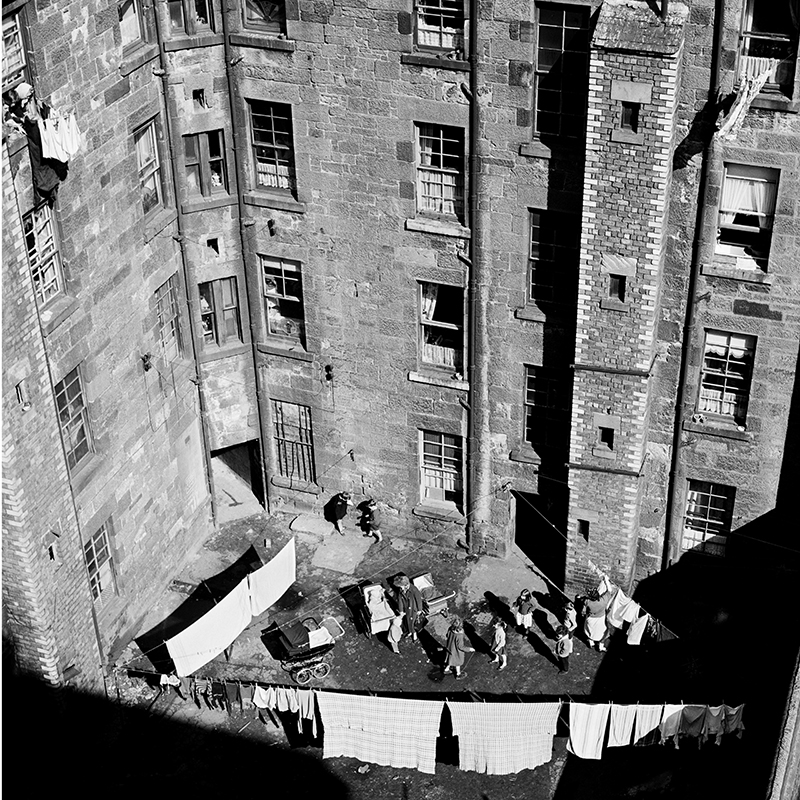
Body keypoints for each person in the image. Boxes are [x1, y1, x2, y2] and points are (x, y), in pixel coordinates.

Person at [391, 574, 425, 640]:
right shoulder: (401, 591)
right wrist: (401, 610)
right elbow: (400, 600)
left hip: (413, 609)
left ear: (406, 585)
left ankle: (414, 633)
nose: (400, 588)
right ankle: (410, 631)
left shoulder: (414, 590)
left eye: (401, 586)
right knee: (408, 621)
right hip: (407, 609)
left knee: (413, 622)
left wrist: (419, 610)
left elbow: (418, 600)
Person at [582, 585, 613, 651]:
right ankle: (601, 646)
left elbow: (584, 610)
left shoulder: (587, 602)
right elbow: (610, 590)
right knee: (602, 631)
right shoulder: (603, 601)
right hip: (600, 619)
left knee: (590, 630)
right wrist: (606, 580)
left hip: (590, 619)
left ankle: (591, 642)